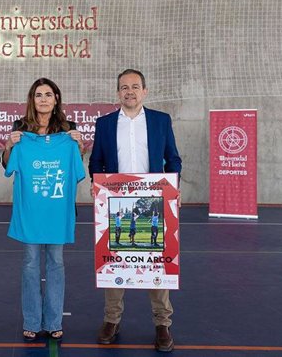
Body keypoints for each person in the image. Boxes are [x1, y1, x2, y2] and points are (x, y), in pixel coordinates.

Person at [89, 69, 182, 352]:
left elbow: (173, 159)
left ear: (145, 91)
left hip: (154, 202)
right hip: (115, 204)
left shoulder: (160, 121)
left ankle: (162, 324)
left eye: (134, 86)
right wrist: (98, 186)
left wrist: (173, 187)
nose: (129, 91)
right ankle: (111, 320)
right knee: (115, 260)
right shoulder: (104, 124)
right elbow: (96, 163)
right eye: (123, 87)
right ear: (118, 93)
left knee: (156, 262)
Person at [3, 78, 85, 341]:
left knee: (56, 263)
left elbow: (77, 166)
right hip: (31, 210)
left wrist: (79, 145)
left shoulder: (68, 130)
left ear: (56, 98)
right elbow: (8, 166)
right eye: (38, 95)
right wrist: (10, 145)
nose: (43, 99)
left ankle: (53, 320)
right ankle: (31, 319)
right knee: (29, 264)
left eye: (48, 94)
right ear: (32, 99)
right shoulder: (21, 129)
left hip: (58, 212)